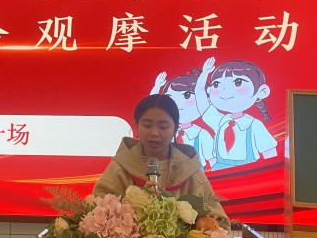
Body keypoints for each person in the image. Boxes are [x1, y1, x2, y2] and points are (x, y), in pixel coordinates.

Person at [93, 94, 228, 220]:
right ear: (137, 125)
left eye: (163, 127)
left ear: (175, 128)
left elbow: (219, 222)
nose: (154, 133)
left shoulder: (189, 170)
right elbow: (95, 213)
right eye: (147, 125)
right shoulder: (121, 167)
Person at [195, 57, 278, 169]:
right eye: (216, 84)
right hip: (219, 170)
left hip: (248, 171)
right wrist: (204, 73)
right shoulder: (219, 121)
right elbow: (200, 97)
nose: (224, 90)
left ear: (261, 91)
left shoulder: (254, 125)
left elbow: (269, 153)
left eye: (238, 83)